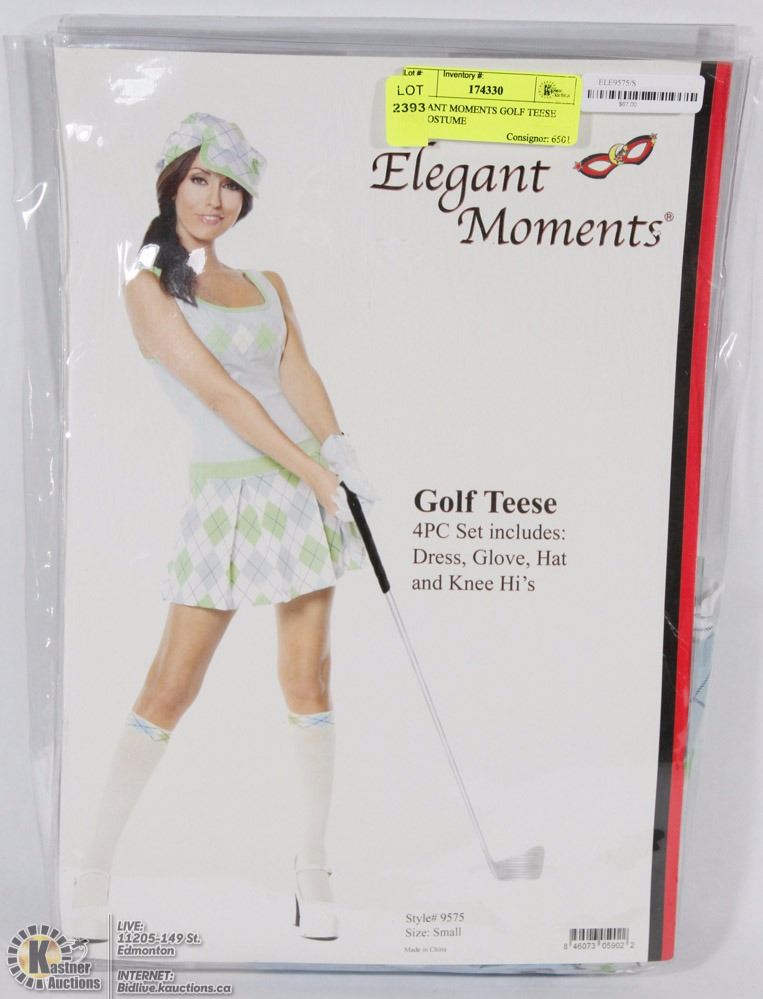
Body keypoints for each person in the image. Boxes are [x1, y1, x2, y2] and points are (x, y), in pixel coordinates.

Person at [70, 112, 376, 944]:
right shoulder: (146, 284)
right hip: (231, 499)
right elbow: (220, 394)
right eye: (200, 179)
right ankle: (94, 863)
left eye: (231, 184)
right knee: (171, 685)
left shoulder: (269, 283)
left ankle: (311, 868)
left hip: (304, 493)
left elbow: (295, 371)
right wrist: (312, 469)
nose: (214, 198)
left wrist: (339, 450)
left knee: (309, 679)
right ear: (172, 184)